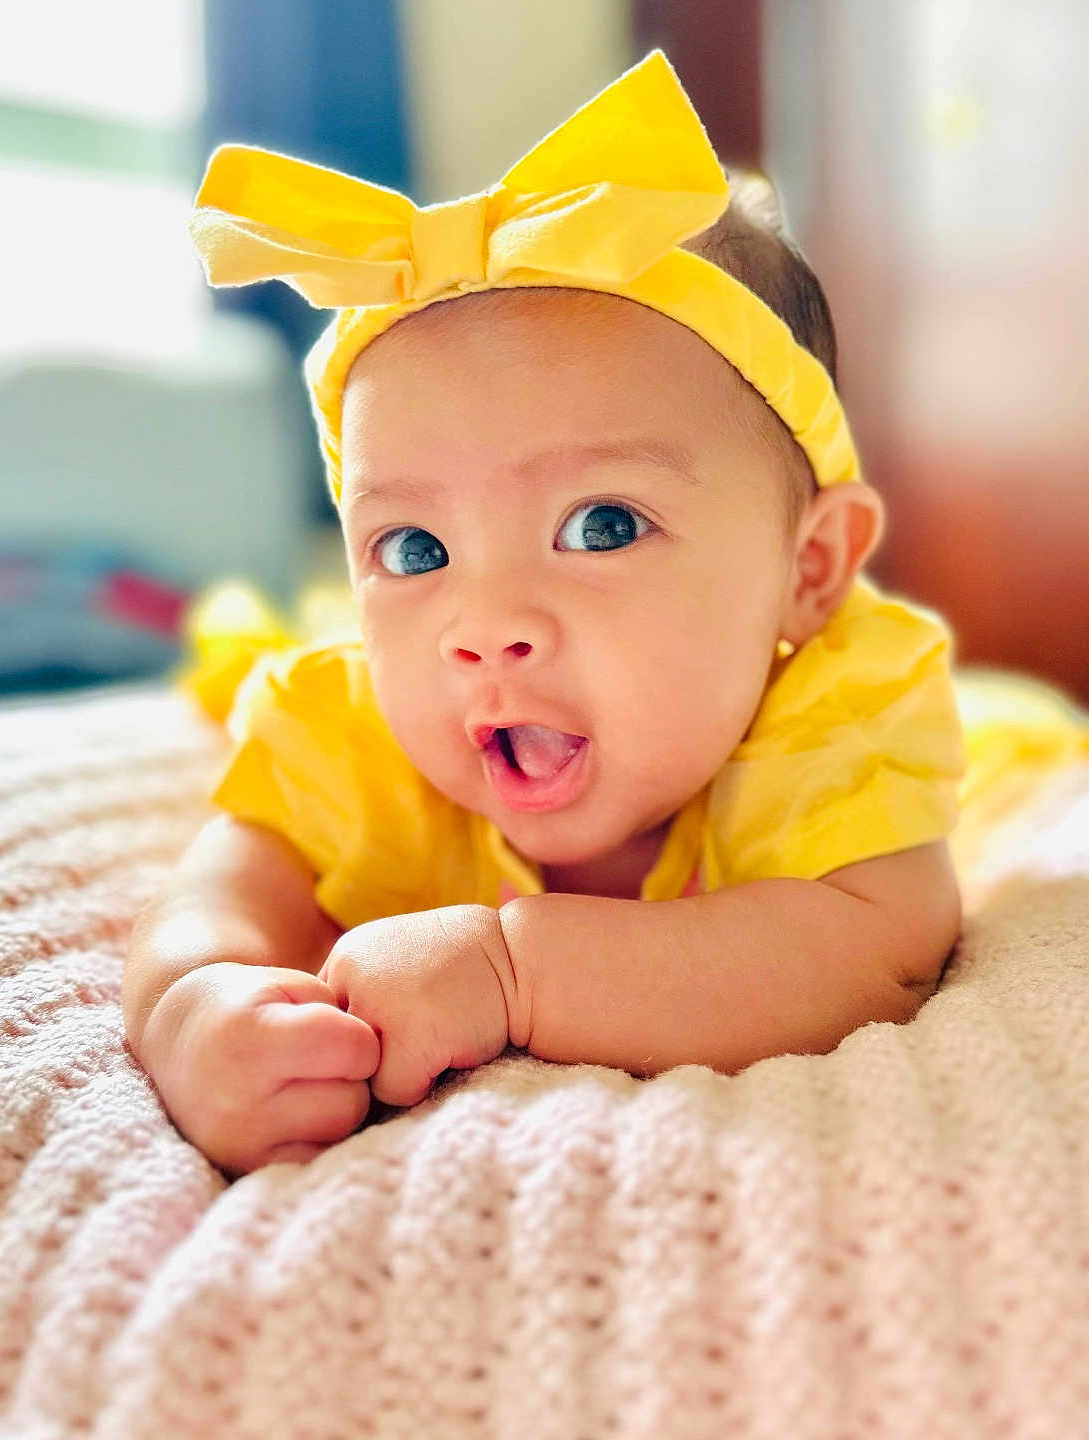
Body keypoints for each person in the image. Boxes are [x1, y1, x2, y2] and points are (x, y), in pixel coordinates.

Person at [122, 52, 971, 1176]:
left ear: (808, 570)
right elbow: (211, 905)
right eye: (414, 549)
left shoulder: (831, 719)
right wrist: (197, 1012)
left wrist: (514, 968)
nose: (482, 625)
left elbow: (875, 952)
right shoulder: (354, 741)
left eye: (602, 526)